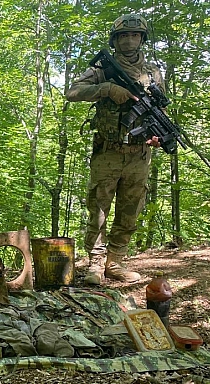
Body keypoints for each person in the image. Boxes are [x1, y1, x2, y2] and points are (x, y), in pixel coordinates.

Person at [66, 14, 163, 285]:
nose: (130, 40)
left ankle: (116, 262)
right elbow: (72, 92)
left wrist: (156, 136)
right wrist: (106, 89)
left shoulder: (153, 73)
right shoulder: (102, 70)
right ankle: (95, 265)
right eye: (124, 36)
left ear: (142, 39)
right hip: (107, 151)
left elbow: (160, 110)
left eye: (135, 35)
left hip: (139, 155)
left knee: (130, 210)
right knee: (98, 209)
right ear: (115, 40)